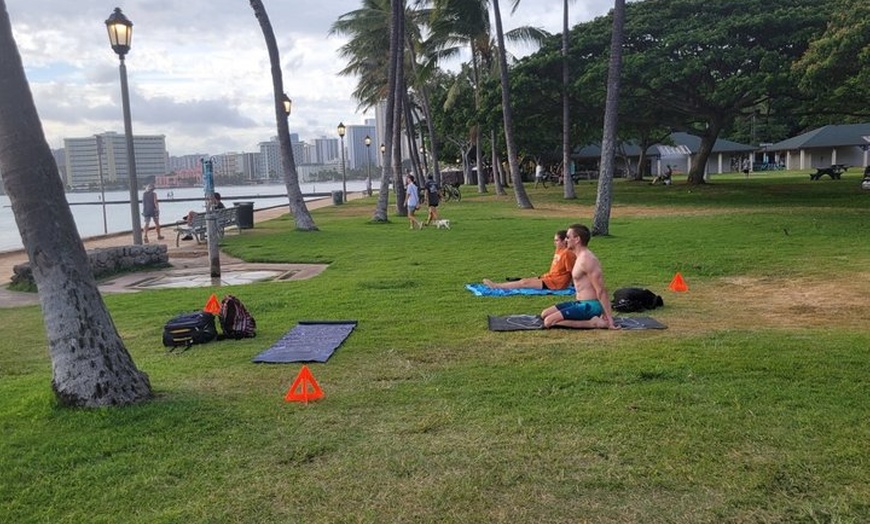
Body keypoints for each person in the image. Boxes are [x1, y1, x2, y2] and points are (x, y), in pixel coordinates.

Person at [540, 224, 618, 329]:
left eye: (568, 237)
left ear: (577, 239)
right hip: (579, 302)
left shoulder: (587, 260)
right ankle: (587, 319)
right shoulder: (579, 256)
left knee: (548, 321)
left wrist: (609, 319)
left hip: (590, 306)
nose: (565, 240)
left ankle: (592, 323)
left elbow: (601, 290)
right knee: (544, 314)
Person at [483, 230, 577, 290]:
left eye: (557, 240)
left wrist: (575, 286)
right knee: (525, 280)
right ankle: (498, 285)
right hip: (550, 277)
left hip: (556, 283)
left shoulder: (568, 254)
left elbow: (573, 271)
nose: (554, 243)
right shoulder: (559, 250)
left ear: (564, 241)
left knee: (525, 283)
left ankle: (496, 286)